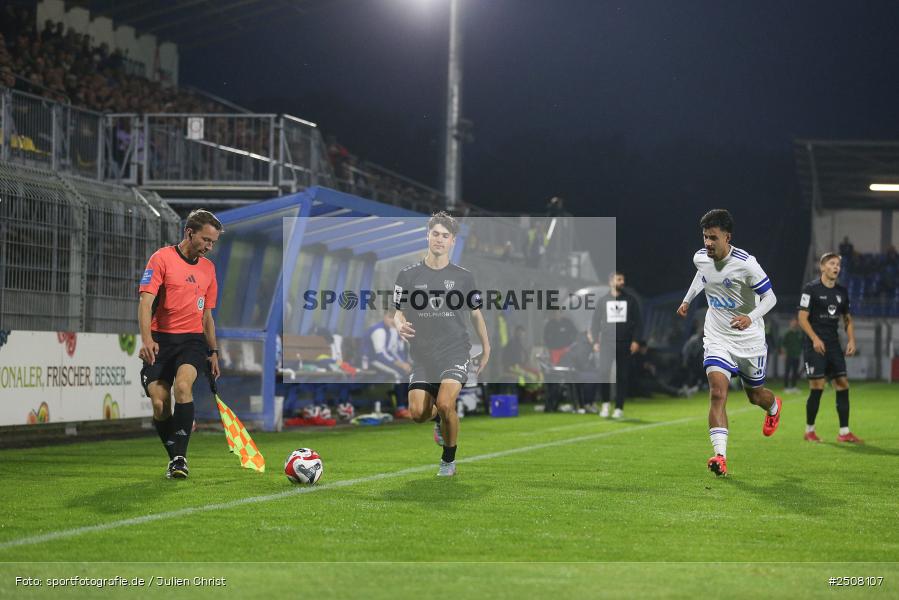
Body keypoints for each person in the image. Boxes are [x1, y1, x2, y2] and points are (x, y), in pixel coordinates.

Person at [676, 209, 782, 477]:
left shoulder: (747, 264)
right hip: (717, 337)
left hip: (749, 340)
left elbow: (770, 298)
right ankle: (720, 456)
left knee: (755, 396)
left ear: (727, 237)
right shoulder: (701, 257)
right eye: (705, 237)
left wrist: (750, 317)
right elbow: (702, 275)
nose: (707, 243)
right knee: (717, 393)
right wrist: (688, 300)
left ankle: (773, 407)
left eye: (713, 237)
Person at [389, 212, 490, 477]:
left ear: (452, 241)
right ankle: (437, 420)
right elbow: (398, 312)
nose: (440, 239)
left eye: (445, 235)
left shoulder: (464, 277)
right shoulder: (407, 275)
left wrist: (486, 348)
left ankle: (448, 461)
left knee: (446, 404)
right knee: (417, 414)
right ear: (428, 236)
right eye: (435, 234)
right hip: (422, 354)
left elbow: (476, 314)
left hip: (454, 351)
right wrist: (399, 324)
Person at [138, 209, 222, 479]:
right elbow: (145, 303)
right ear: (189, 232)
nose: (209, 247)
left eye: (213, 242)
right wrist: (147, 340)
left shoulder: (208, 269)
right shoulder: (161, 258)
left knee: (183, 387)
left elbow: (207, 316)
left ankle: (180, 459)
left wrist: (213, 351)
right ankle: (175, 455)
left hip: (191, 341)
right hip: (161, 341)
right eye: (206, 240)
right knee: (160, 404)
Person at [797, 253, 862, 443]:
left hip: (833, 345)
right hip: (814, 345)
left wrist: (851, 340)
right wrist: (815, 338)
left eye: (838, 264)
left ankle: (844, 432)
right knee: (817, 385)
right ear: (822, 267)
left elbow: (847, 319)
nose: (836, 267)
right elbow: (802, 318)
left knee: (842, 384)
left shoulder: (842, 292)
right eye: (832, 263)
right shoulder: (811, 289)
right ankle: (809, 430)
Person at [590, 270, 643, 419]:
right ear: (611, 282)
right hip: (606, 344)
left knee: (622, 376)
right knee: (603, 373)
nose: (622, 282)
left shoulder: (630, 300)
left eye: (623, 280)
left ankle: (619, 407)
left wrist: (636, 341)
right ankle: (605, 404)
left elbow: (638, 323)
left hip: (625, 344)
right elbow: (595, 323)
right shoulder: (602, 301)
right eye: (619, 279)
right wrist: (594, 341)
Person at [365, 313, 412, 418]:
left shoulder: (393, 330)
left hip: (384, 359)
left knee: (410, 372)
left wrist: (405, 364)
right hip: (371, 361)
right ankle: (400, 408)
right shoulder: (379, 330)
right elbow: (380, 354)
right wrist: (400, 364)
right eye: (390, 317)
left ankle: (409, 406)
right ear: (384, 317)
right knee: (398, 374)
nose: (393, 321)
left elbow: (394, 351)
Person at [780, 318, 803, 393]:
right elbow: (783, 345)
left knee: (795, 372)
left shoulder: (799, 333)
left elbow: (802, 344)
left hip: (797, 356)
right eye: (793, 322)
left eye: (796, 323)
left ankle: (794, 387)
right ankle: (786, 387)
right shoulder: (787, 333)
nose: (795, 324)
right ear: (790, 323)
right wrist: (783, 354)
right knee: (787, 371)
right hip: (789, 356)